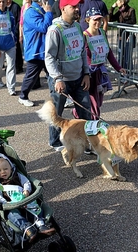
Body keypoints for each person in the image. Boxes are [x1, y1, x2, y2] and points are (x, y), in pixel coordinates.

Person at [45, 0, 91, 151]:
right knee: (57, 113)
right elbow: (49, 57)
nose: (77, 9)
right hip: (61, 80)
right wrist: (57, 78)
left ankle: (87, 141)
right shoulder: (54, 30)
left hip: (79, 78)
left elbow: (82, 52)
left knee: (85, 111)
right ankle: (55, 142)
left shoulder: (78, 27)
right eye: (74, 6)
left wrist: (86, 73)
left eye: (78, 6)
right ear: (63, 8)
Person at [0, 153, 56, 242]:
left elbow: (26, 182)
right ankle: (28, 229)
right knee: (13, 215)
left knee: (35, 209)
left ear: (11, 167)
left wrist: (26, 190)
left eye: (6, 169)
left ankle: (41, 226)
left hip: (26, 200)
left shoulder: (17, 175)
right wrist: (4, 203)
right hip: (11, 206)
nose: (3, 172)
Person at [74, 8, 125, 121]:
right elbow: (80, 55)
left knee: (98, 100)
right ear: (88, 20)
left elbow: (108, 52)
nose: (98, 22)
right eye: (95, 20)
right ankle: (94, 123)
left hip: (100, 72)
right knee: (92, 101)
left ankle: (78, 113)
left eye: (100, 19)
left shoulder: (102, 32)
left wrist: (118, 67)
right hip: (89, 73)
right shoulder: (84, 36)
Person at [18, 0, 53, 107]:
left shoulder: (40, 9)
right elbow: (43, 27)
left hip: (45, 50)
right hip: (35, 51)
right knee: (31, 76)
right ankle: (23, 96)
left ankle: (59, 96)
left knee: (53, 74)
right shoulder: (30, 12)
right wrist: (48, 13)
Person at [109, 0, 136, 69]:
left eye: (118, 0)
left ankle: (128, 75)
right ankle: (121, 74)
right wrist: (112, 8)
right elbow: (110, 19)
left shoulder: (131, 10)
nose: (116, 2)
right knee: (121, 56)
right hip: (121, 36)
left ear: (122, 2)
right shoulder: (119, 11)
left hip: (128, 37)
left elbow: (133, 21)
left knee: (127, 57)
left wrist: (122, 24)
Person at [7, 0, 23, 73]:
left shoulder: (16, 7)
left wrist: (16, 31)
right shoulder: (4, 7)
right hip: (7, 32)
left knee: (17, 50)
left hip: (15, 31)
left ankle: (19, 66)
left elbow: (19, 21)